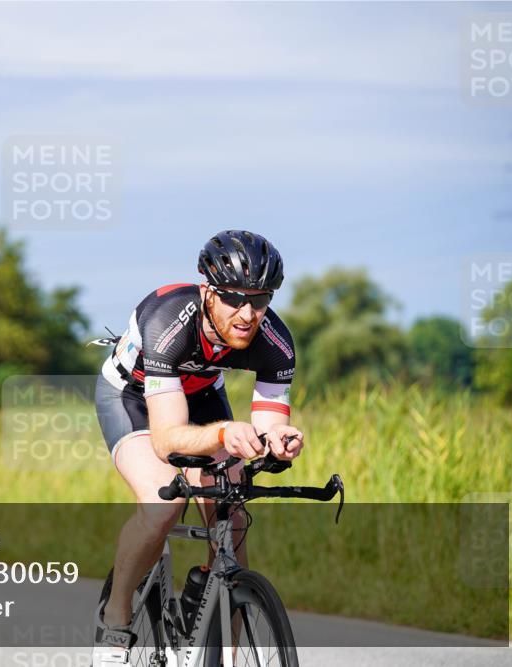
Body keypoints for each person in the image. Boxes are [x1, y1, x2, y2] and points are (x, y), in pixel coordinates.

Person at [91, 230, 304, 665]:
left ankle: (222, 637)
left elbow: (267, 424)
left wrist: (277, 440)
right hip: (131, 396)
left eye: (260, 299)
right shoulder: (168, 319)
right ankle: (116, 617)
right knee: (161, 502)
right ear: (208, 292)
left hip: (201, 395)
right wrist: (225, 435)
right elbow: (169, 440)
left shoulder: (276, 344)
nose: (248, 314)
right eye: (233, 299)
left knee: (233, 505)